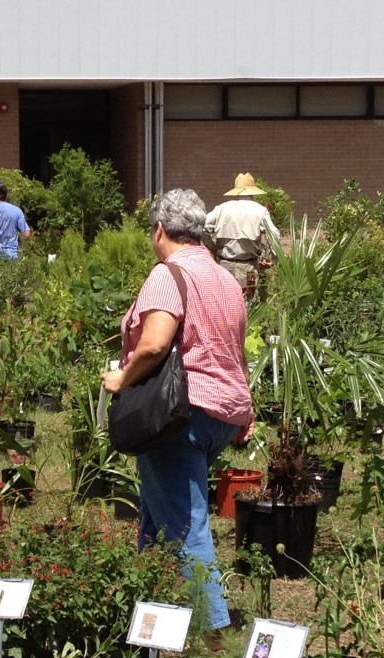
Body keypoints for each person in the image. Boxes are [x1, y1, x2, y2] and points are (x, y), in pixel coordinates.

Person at [101, 189, 255, 631]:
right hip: (221, 414)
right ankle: (146, 613)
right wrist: (247, 412)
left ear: (160, 230)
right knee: (158, 511)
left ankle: (212, 634)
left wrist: (121, 378)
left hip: (178, 416)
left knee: (186, 525)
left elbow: (154, 343)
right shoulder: (226, 278)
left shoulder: (168, 274)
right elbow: (235, 352)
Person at [203, 172, 280, 299]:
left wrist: (212, 247)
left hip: (224, 266)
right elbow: (274, 234)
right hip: (248, 267)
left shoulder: (221, 208)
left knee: (224, 304)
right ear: (252, 191)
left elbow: (202, 226)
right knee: (247, 306)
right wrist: (274, 258)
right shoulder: (260, 211)